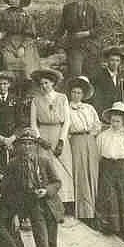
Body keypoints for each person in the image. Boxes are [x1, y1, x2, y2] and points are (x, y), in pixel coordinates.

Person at [2, 128, 63, 247]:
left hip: (50, 206)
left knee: (52, 244)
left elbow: (57, 182)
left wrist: (47, 191)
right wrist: (15, 213)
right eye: (24, 144)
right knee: (42, 243)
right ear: (18, 147)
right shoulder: (13, 165)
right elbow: (7, 191)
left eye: (30, 143)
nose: (27, 147)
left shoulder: (44, 161)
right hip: (32, 207)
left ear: (35, 146)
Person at [29, 68, 74, 215]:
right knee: (45, 166)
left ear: (53, 83)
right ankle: (48, 200)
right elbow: (33, 124)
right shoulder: (35, 100)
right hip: (43, 135)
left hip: (58, 133)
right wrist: (39, 138)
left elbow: (67, 121)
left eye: (46, 83)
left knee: (62, 167)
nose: (44, 86)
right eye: (41, 84)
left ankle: (65, 203)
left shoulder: (62, 98)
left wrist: (61, 141)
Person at [95, 102, 124, 245]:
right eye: (113, 121)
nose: (115, 124)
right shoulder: (103, 136)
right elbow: (97, 154)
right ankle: (110, 228)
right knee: (109, 196)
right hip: (107, 167)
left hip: (122, 168)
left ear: (123, 122)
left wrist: (123, 166)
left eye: (118, 121)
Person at [66, 76, 101, 224]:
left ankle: (93, 208)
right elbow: (66, 128)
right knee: (80, 172)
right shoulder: (66, 108)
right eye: (74, 92)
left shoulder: (89, 108)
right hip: (76, 140)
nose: (76, 95)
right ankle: (82, 211)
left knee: (92, 171)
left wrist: (91, 132)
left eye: (79, 93)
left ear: (83, 94)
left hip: (90, 140)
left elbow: (97, 124)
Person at [0, 0, 40, 95]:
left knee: (26, 63)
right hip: (8, 42)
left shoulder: (26, 15)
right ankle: (11, 91)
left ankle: (27, 92)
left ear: (21, 0)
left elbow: (31, 34)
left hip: (25, 42)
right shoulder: (3, 14)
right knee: (8, 61)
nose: (13, 0)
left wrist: (23, 47)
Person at [56, 0, 98, 77]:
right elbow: (62, 27)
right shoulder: (67, 8)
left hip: (90, 46)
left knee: (91, 74)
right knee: (76, 72)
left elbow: (99, 28)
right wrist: (55, 42)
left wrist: (87, 33)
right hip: (74, 45)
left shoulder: (91, 9)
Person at [90, 46, 124, 115]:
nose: (115, 63)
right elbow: (97, 99)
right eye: (112, 60)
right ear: (107, 61)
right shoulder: (99, 75)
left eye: (117, 60)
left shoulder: (123, 75)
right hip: (104, 111)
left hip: (120, 110)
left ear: (120, 62)